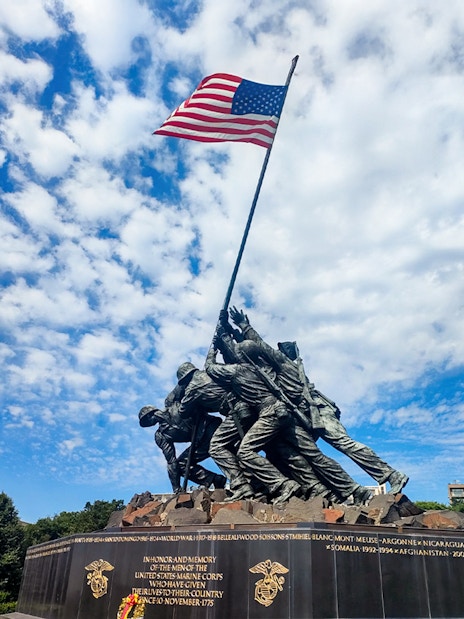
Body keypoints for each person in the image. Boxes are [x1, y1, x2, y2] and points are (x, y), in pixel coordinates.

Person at [229, 307, 408, 495]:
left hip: (318, 409)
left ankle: (391, 475)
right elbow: (255, 354)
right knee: (308, 455)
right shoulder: (279, 369)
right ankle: (342, 491)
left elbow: (259, 345)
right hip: (304, 413)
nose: (273, 353)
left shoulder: (283, 364)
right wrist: (236, 333)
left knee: (343, 443)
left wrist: (245, 326)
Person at [139, 376, 226, 493]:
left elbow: (186, 382)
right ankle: (215, 479)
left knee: (228, 450)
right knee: (181, 465)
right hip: (199, 443)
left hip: (211, 428)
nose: (148, 424)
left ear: (150, 414)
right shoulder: (161, 436)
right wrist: (176, 488)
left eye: (146, 420)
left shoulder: (171, 401)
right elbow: (171, 462)